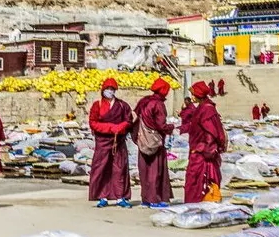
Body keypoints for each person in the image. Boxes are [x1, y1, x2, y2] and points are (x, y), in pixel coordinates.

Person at [88, 78, 133, 208]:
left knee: (120, 168)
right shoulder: (98, 105)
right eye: (108, 89)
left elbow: (129, 120)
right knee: (102, 168)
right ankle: (102, 197)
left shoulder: (122, 105)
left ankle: (120, 197)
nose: (110, 91)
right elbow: (93, 122)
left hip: (118, 141)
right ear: (103, 90)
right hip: (102, 142)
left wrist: (121, 127)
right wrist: (109, 128)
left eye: (112, 89)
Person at [183, 81, 227, 204]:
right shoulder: (202, 108)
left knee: (198, 179)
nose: (192, 97)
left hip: (202, 152)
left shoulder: (207, 110)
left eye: (193, 94)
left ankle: (199, 203)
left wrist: (205, 149)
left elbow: (211, 133)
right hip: (197, 149)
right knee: (193, 179)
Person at [134, 78, 174, 208]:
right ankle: (155, 199)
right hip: (155, 142)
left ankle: (145, 199)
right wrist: (171, 128)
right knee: (155, 172)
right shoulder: (158, 105)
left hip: (142, 141)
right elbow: (160, 125)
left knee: (144, 171)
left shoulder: (144, 101)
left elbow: (134, 119)